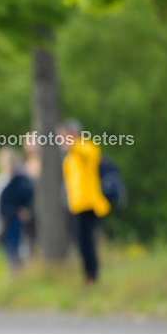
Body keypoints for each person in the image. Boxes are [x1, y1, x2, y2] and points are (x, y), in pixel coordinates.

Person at [57, 120, 110, 284]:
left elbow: (90, 154)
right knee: (81, 242)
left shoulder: (86, 147)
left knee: (87, 242)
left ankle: (92, 275)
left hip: (90, 204)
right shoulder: (69, 158)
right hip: (76, 205)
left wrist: (73, 142)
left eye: (63, 136)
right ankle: (88, 274)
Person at [0, 149, 34, 270]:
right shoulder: (5, 178)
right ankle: (15, 269)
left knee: (18, 244)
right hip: (7, 216)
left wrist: (20, 209)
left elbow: (24, 195)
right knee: (10, 245)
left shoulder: (18, 178)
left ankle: (20, 270)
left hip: (15, 216)